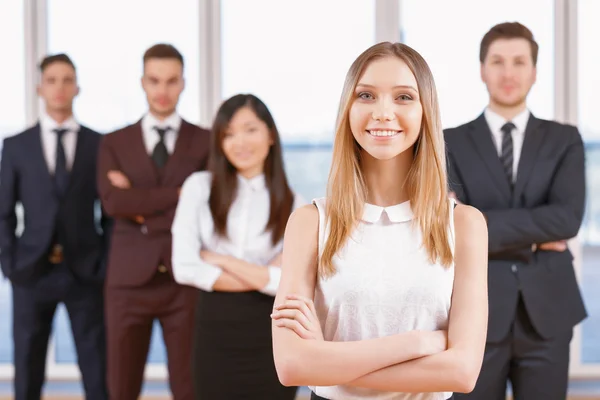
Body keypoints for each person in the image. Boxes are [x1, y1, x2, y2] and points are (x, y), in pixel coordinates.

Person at [271, 41, 489, 400]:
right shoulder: (309, 223)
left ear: (425, 111)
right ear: (348, 108)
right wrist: (421, 343)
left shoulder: (464, 224)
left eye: (403, 97)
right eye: (367, 95)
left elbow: (462, 372)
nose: (383, 112)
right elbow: (292, 366)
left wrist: (329, 360)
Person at [445, 22, 587, 400]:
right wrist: (537, 241)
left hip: (549, 313)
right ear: (482, 70)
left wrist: (481, 224)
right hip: (474, 314)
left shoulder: (565, 139)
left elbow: (567, 219)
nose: (508, 73)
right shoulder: (450, 142)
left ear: (534, 71)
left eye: (519, 62)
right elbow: (452, 228)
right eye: (498, 61)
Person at [97, 43, 210, 399]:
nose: (163, 91)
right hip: (127, 283)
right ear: (142, 82)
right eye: (155, 80)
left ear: (184, 83)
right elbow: (114, 203)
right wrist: (178, 195)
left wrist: (140, 203)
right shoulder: (114, 142)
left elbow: (206, 206)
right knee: (121, 387)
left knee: (188, 386)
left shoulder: (206, 141)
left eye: (171, 81)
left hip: (185, 279)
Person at [171, 93, 303, 399]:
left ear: (270, 134)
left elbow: (288, 283)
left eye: (249, 130)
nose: (239, 142)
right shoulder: (199, 188)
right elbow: (184, 268)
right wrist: (262, 276)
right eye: (228, 134)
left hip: (271, 332)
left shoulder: (293, 204)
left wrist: (221, 260)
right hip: (214, 329)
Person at [0, 54, 109, 400]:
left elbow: (109, 213)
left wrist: (103, 262)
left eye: (67, 80)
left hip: (85, 273)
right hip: (31, 273)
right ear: (39, 88)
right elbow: (3, 212)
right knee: (27, 370)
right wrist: (10, 263)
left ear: (77, 88)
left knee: (96, 370)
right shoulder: (16, 146)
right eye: (52, 80)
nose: (59, 88)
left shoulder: (99, 144)